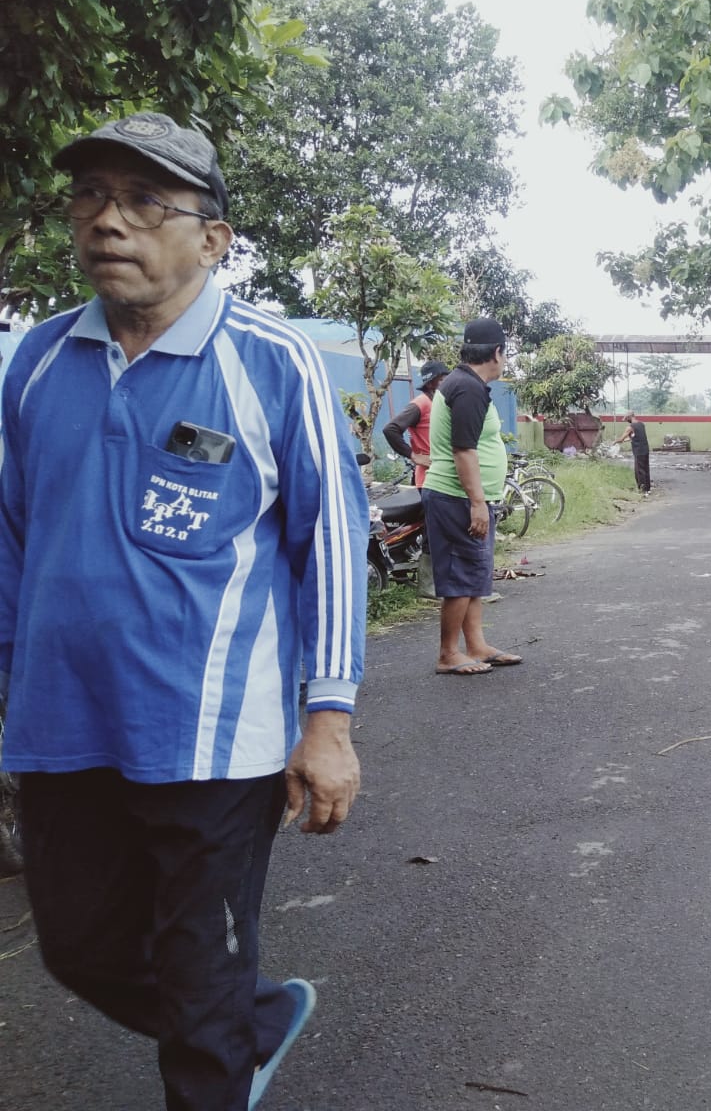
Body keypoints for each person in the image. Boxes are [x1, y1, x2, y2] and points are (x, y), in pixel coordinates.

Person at [0, 111, 366, 1110]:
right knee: (76, 948)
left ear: (212, 238)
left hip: (216, 736)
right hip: (61, 725)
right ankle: (252, 1019)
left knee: (198, 1001)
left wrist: (326, 719)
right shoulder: (34, 362)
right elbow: (14, 541)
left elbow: (328, 541)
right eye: (89, 197)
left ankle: (222, 1032)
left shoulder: (269, 361)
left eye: (143, 202)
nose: (106, 222)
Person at [421, 317, 523, 674]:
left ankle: (476, 645)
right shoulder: (466, 387)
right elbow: (464, 450)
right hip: (456, 497)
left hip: (467, 497)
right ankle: (448, 653)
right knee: (461, 576)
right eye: (505, 353)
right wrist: (477, 503)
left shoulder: (466, 383)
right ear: (497, 352)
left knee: (475, 574)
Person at [382, 358, 450, 485]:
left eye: (448, 380)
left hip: (445, 477)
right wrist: (414, 456)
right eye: (441, 380)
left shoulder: (442, 404)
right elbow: (390, 429)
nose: (446, 384)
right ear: (430, 384)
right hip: (429, 480)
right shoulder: (421, 404)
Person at [619, 412, 651, 494]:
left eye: (627, 419)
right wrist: (627, 440)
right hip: (645, 449)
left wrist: (615, 441)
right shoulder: (641, 424)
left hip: (638, 451)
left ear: (630, 417)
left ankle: (642, 490)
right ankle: (648, 489)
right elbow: (635, 437)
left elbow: (621, 439)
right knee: (645, 469)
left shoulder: (630, 427)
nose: (627, 421)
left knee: (639, 471)